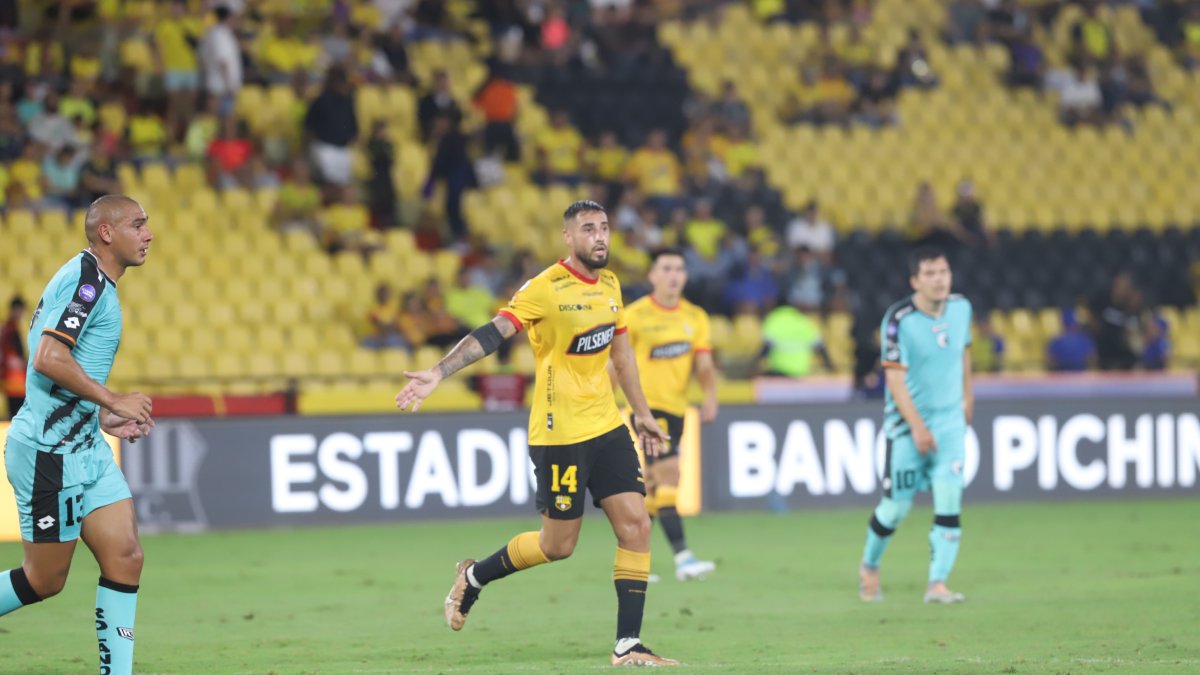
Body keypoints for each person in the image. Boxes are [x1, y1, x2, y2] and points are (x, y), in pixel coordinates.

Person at [395, 200, 678, 667]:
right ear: (568, 238)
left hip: (606, 425)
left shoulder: (610, 284)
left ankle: (628, 644)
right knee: (557, 546)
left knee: (636, 524)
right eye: (588, 229)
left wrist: (641, 412)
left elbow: (621, 356)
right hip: (559, 434)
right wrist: (439, 372)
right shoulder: (545, 288)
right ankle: (474, 576)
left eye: (605, 227)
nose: (600, 236)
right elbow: (494, 332)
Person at [1, 195, 156, 675]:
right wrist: (113, 400)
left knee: (126, 556)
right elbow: (47, 358)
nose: (148, 234)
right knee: (45, 580)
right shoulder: (88, 282)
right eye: (137, 225)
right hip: (49, 453)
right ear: (106, 233)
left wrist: (103, 419)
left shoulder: (95, 281)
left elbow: (60, 371)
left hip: (84, 446)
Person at [859, 247, 973, 605]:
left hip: (951, 423)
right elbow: (893, 381)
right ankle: (870, 565)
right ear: (915, 281)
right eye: (929, 273)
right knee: (895, 508)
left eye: (943, 271)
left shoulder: (962, 308)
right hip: (906, 427)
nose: (938, 279)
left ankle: (937, 584)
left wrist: (968, 397)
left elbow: (964, 351)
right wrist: (919, 427)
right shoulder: (898, 319)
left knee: (949, 497)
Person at [620, 248, 718, 582]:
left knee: (650, 486)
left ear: (685, 276)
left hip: (677, 409)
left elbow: (703, 363)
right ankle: (683, 557)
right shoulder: (634, 316)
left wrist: (710, 395)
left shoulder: (695, 317)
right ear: (653, 276)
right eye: (666, 268)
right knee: (670, 475)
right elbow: (614, 361)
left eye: (679, 268)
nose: (673, 274)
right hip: (647, 410)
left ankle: (633, 564)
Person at [2, 296, 27, 418]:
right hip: (14, 380)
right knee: (16, 415)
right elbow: (11, 357)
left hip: (17, 380)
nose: (20, 313)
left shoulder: (12, 328)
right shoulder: (9, 329)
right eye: (18, 309)